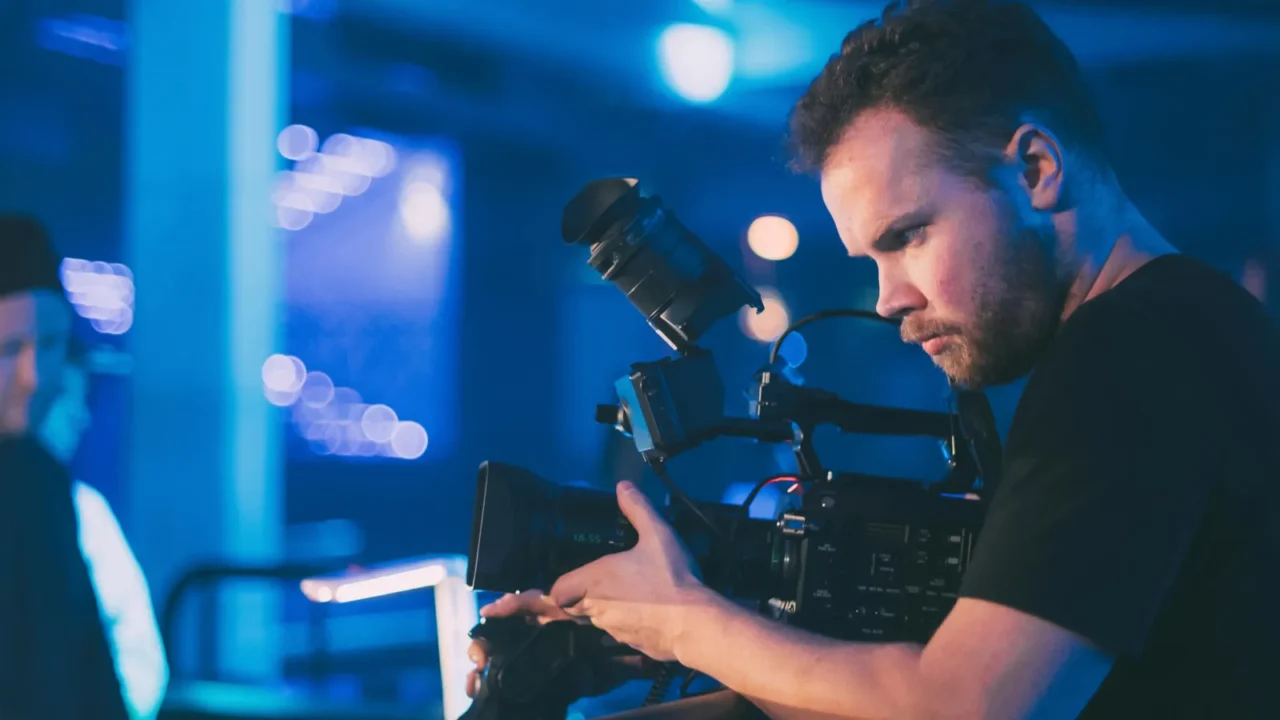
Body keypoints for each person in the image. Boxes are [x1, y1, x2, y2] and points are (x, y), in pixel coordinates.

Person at [467, 1, 1279, 718]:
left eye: (907, 236)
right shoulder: (1184, 330)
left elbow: (962, 706)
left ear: (1035, 169)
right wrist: (664, 635)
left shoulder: (1129, 359)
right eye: (869, 258)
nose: (887, 297)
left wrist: (689, 619)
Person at [0, 214, 130, 719]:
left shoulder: (43, 483)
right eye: (9, 350)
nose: (35, 377)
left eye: (50, 346)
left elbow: (87, 667)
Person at [38, 339, 170, 720]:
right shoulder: (81, 512)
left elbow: (139, 659)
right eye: (63, 395)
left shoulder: (84, 513)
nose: (79, 416)